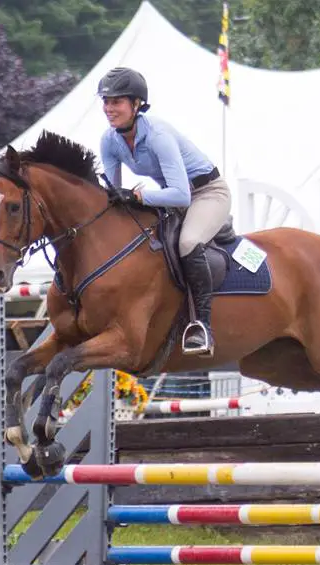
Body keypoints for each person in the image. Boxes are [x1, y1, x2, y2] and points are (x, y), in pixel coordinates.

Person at [98, 67, 232, 358]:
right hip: (170, 197)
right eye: (106, 102)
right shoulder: (109, 141)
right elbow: (113, 194)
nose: (109, 108)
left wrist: (137, 195)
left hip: (207, 193)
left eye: (117, 101)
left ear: (136, 105)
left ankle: (201, 326)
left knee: (187, 243)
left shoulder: (157, 136)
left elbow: (182, 195)